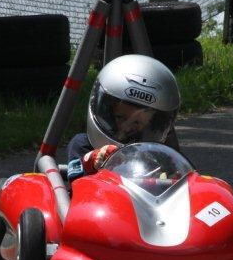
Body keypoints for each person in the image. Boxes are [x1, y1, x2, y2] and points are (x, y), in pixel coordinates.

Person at [65, 53, 181, 181]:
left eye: (136, 122)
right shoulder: (83, 144)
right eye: (121, 117)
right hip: (97, 198)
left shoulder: (157, 154)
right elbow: (75, 177)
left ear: (150, 123)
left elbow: (178, 179)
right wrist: (94, 160)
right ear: (109, 112)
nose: (126, 127)